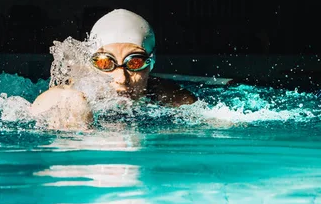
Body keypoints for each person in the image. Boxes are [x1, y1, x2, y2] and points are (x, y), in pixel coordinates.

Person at [30, 8, 197, 129]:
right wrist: (69, 101)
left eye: (135, 63)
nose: (121, 78)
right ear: (92, 65)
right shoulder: (79, 91)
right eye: (105, 63)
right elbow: (38, 107)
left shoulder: (171, 98)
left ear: (151, 63)